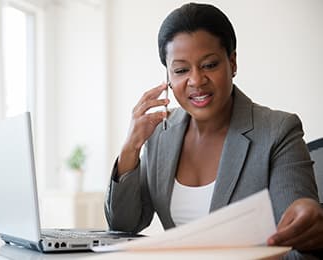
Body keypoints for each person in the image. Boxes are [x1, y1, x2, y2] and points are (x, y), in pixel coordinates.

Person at [104, 2, 322, 254]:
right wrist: (130, 148)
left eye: (209, 65)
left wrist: (310, 223)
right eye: (181, 70)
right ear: (168, 77)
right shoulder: (160, 132)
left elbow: (298, 240)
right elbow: (124, 226)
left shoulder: (278, 131)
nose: (196, 80)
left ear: (233, 62)